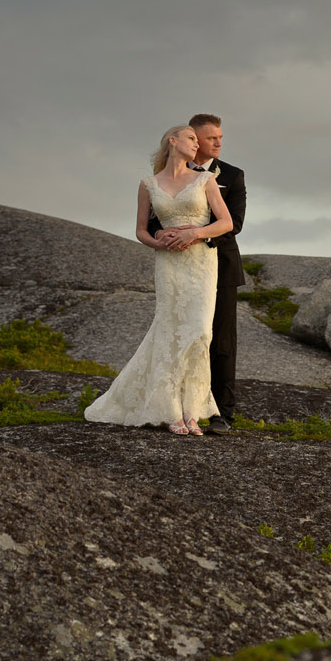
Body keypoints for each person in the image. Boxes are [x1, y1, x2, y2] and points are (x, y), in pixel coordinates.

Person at [83, 124, 236, 435]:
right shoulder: (148, 184)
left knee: (200, 333)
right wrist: (157, 240)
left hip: (201, 263)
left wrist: (195, 232)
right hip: (168, 263)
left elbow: (226, 222)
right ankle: (172, 412)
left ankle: (193, 411)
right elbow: (141, 230)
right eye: (191, 138)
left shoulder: (206, 180)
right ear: (173, 141)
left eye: (197, 139)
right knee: (169, 329)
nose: (197, 144)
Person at [145, 112, 245, 434]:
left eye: (220, 137)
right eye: (211, 137)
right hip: (175, 264)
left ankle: (221, 414)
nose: (218, 142)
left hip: (219, 265)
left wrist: (194, 234)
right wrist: (164, 236)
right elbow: (152, 220)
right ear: (192, 138)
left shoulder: (231, 174)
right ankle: (178, 406)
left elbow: (235, 224)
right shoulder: (163, 177)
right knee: (177, 333)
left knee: (218, 338)